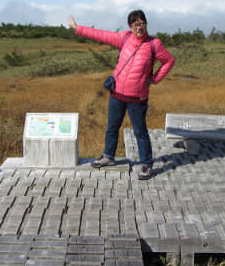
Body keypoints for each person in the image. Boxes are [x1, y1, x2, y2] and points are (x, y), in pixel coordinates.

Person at [68, 10, 175, 180]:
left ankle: (146, 164)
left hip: (137, 97)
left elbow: (169, 60)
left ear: (146, 24)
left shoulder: (154, 44)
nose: (138, 27)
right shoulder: (125, 38)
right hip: (117, 93)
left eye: (141, 23)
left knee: (140, 132)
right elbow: (102, 35)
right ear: (130, 27)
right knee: (112, 127)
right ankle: (108, 156)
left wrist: (154, 79)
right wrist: (78, 29)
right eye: (135, 24)